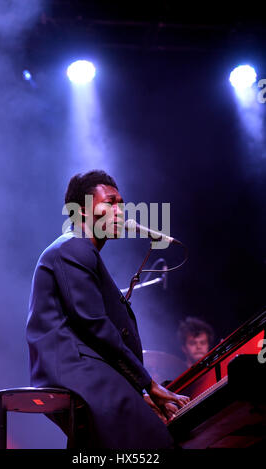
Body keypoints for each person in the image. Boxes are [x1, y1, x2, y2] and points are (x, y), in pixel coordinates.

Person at [26, 170, 189, 449]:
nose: (119, 212)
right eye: (110, 203)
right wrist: (148, 384)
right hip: (77, 371)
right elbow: (95, 327)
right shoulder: (73, 248)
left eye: (121, 204)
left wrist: (137, 392)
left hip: (84, 370)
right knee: (155, 443)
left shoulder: (80, 251)